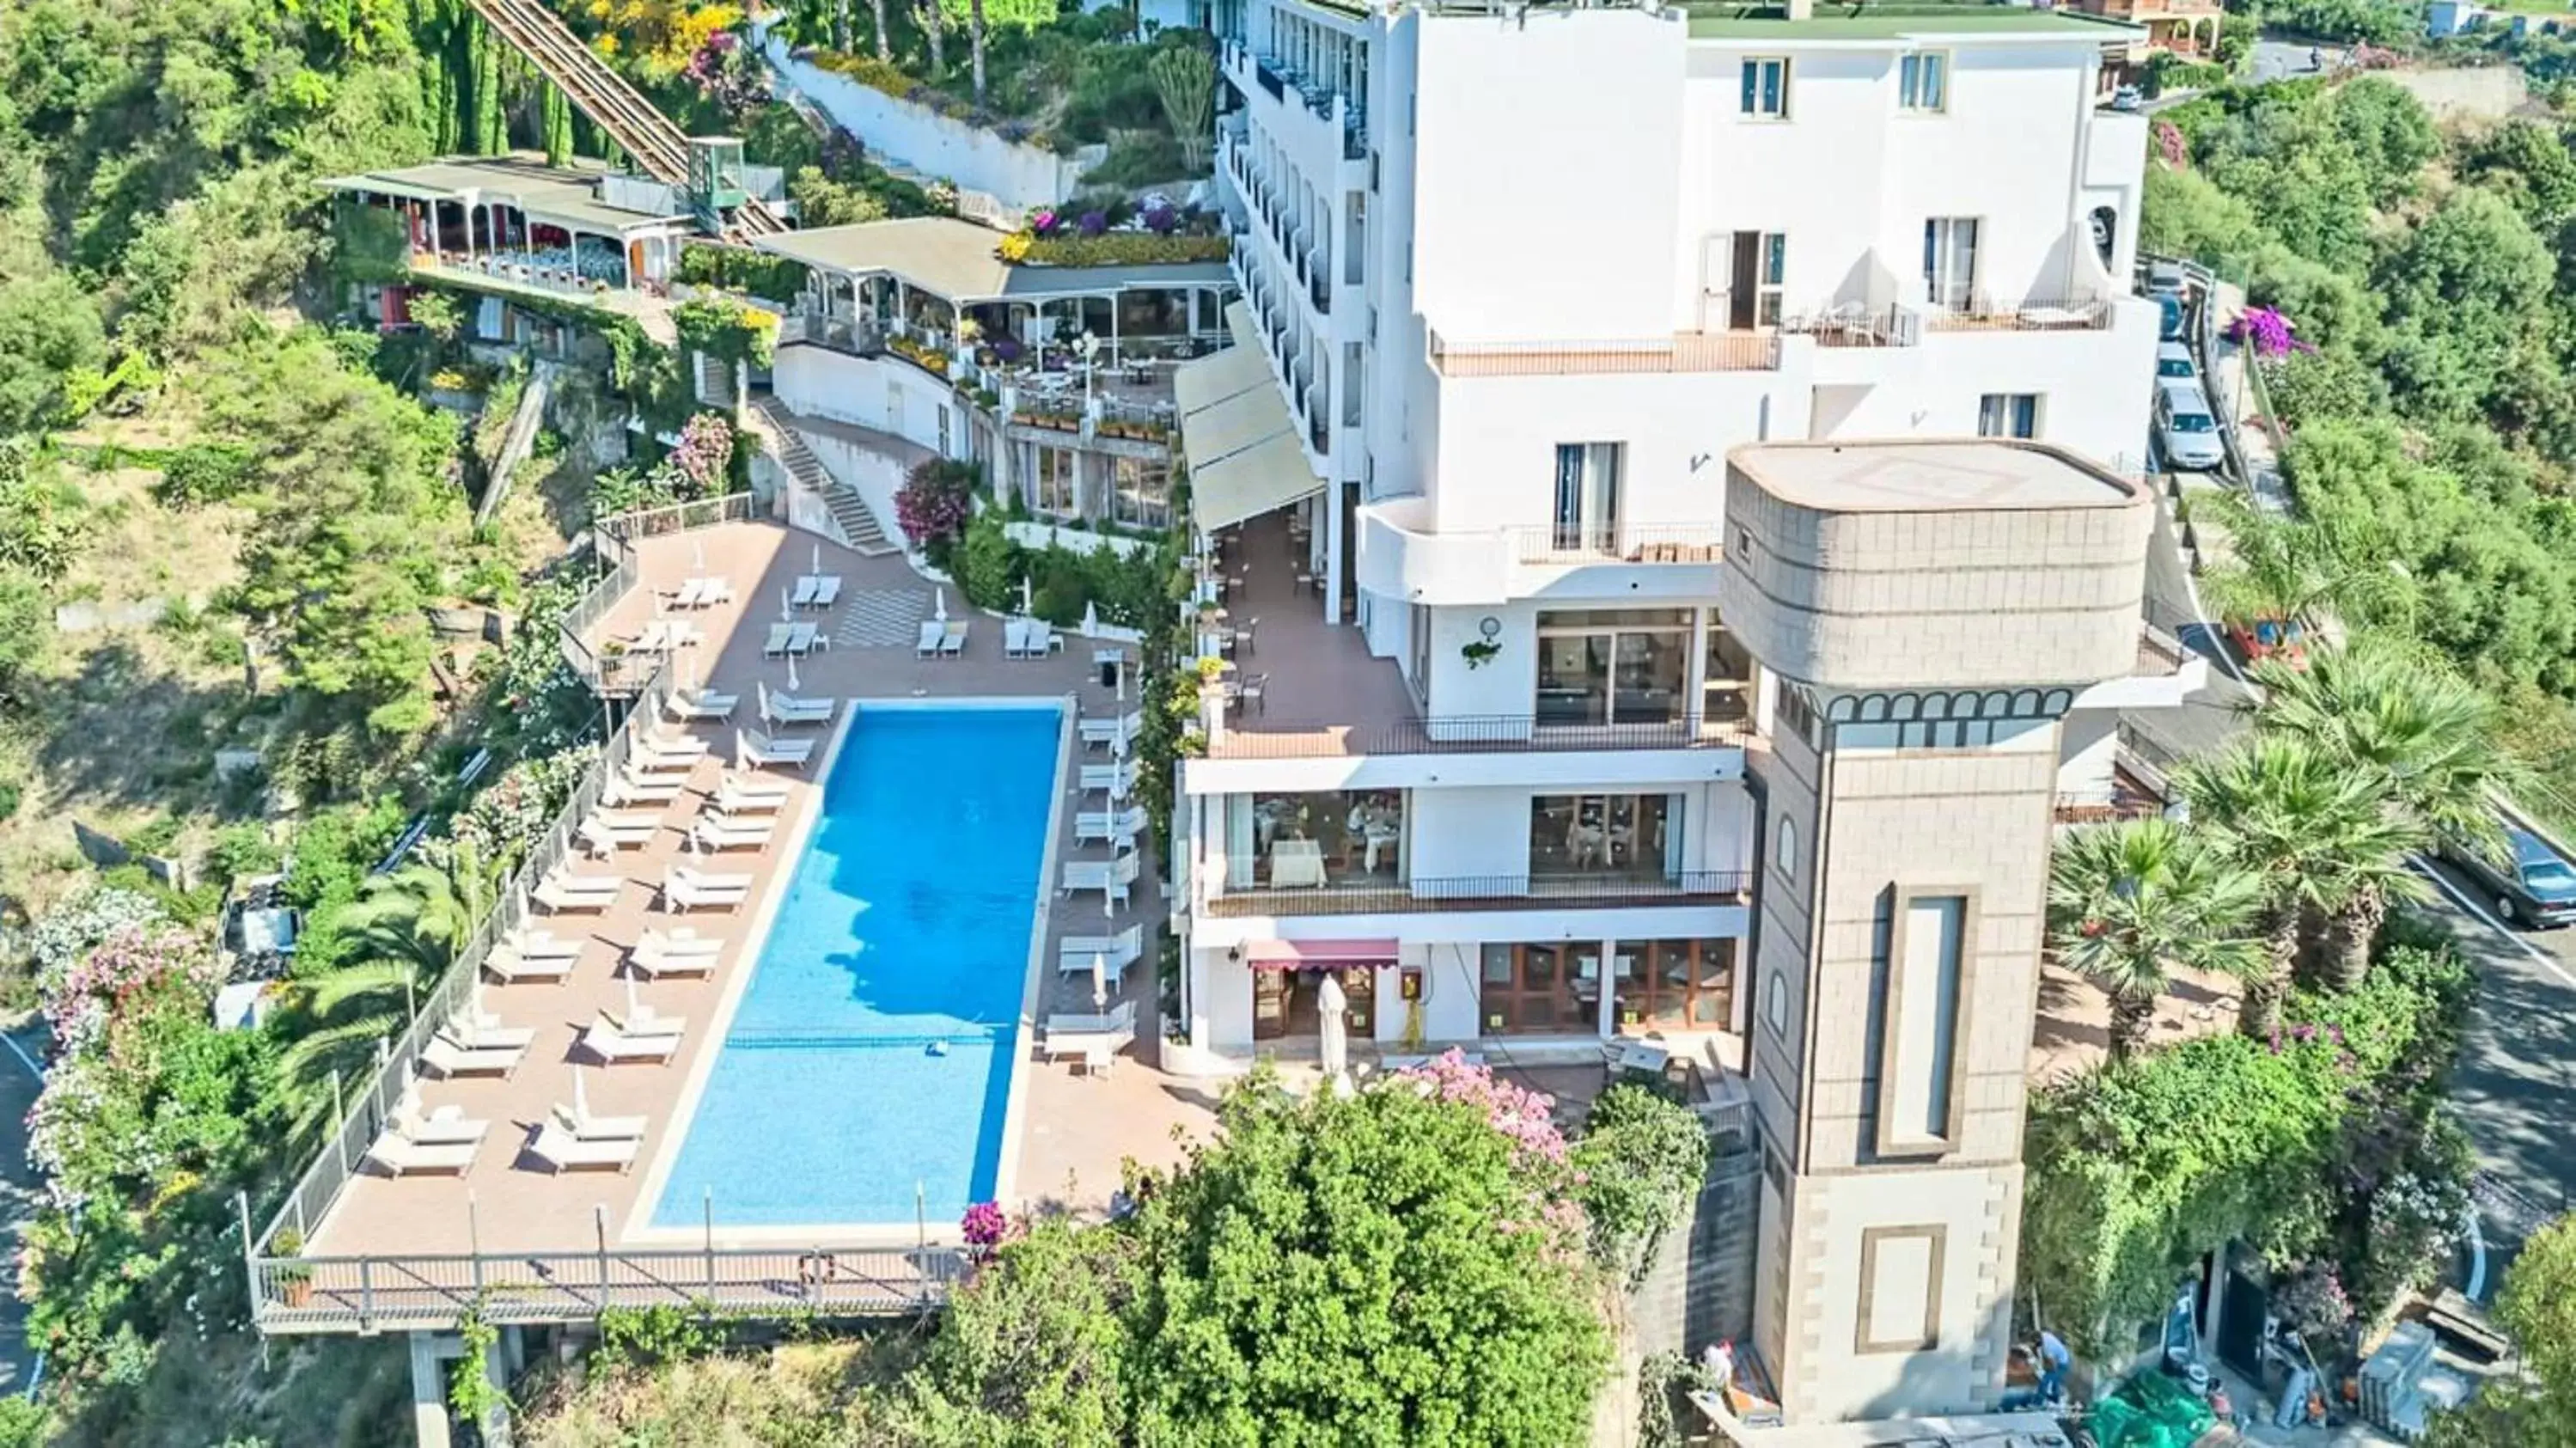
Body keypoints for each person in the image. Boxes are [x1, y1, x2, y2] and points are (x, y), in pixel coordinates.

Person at [2036, 1330, 2072, 1403]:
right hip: (2064, 1359)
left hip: (2062, 1364)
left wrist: (2049, 1371)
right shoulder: (2044, 1335)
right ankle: (2055, 1399)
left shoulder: (2047, 1347)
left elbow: (2052, 1364)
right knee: (2055, 1381)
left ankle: (2038, 1401)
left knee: (2045, 1380)